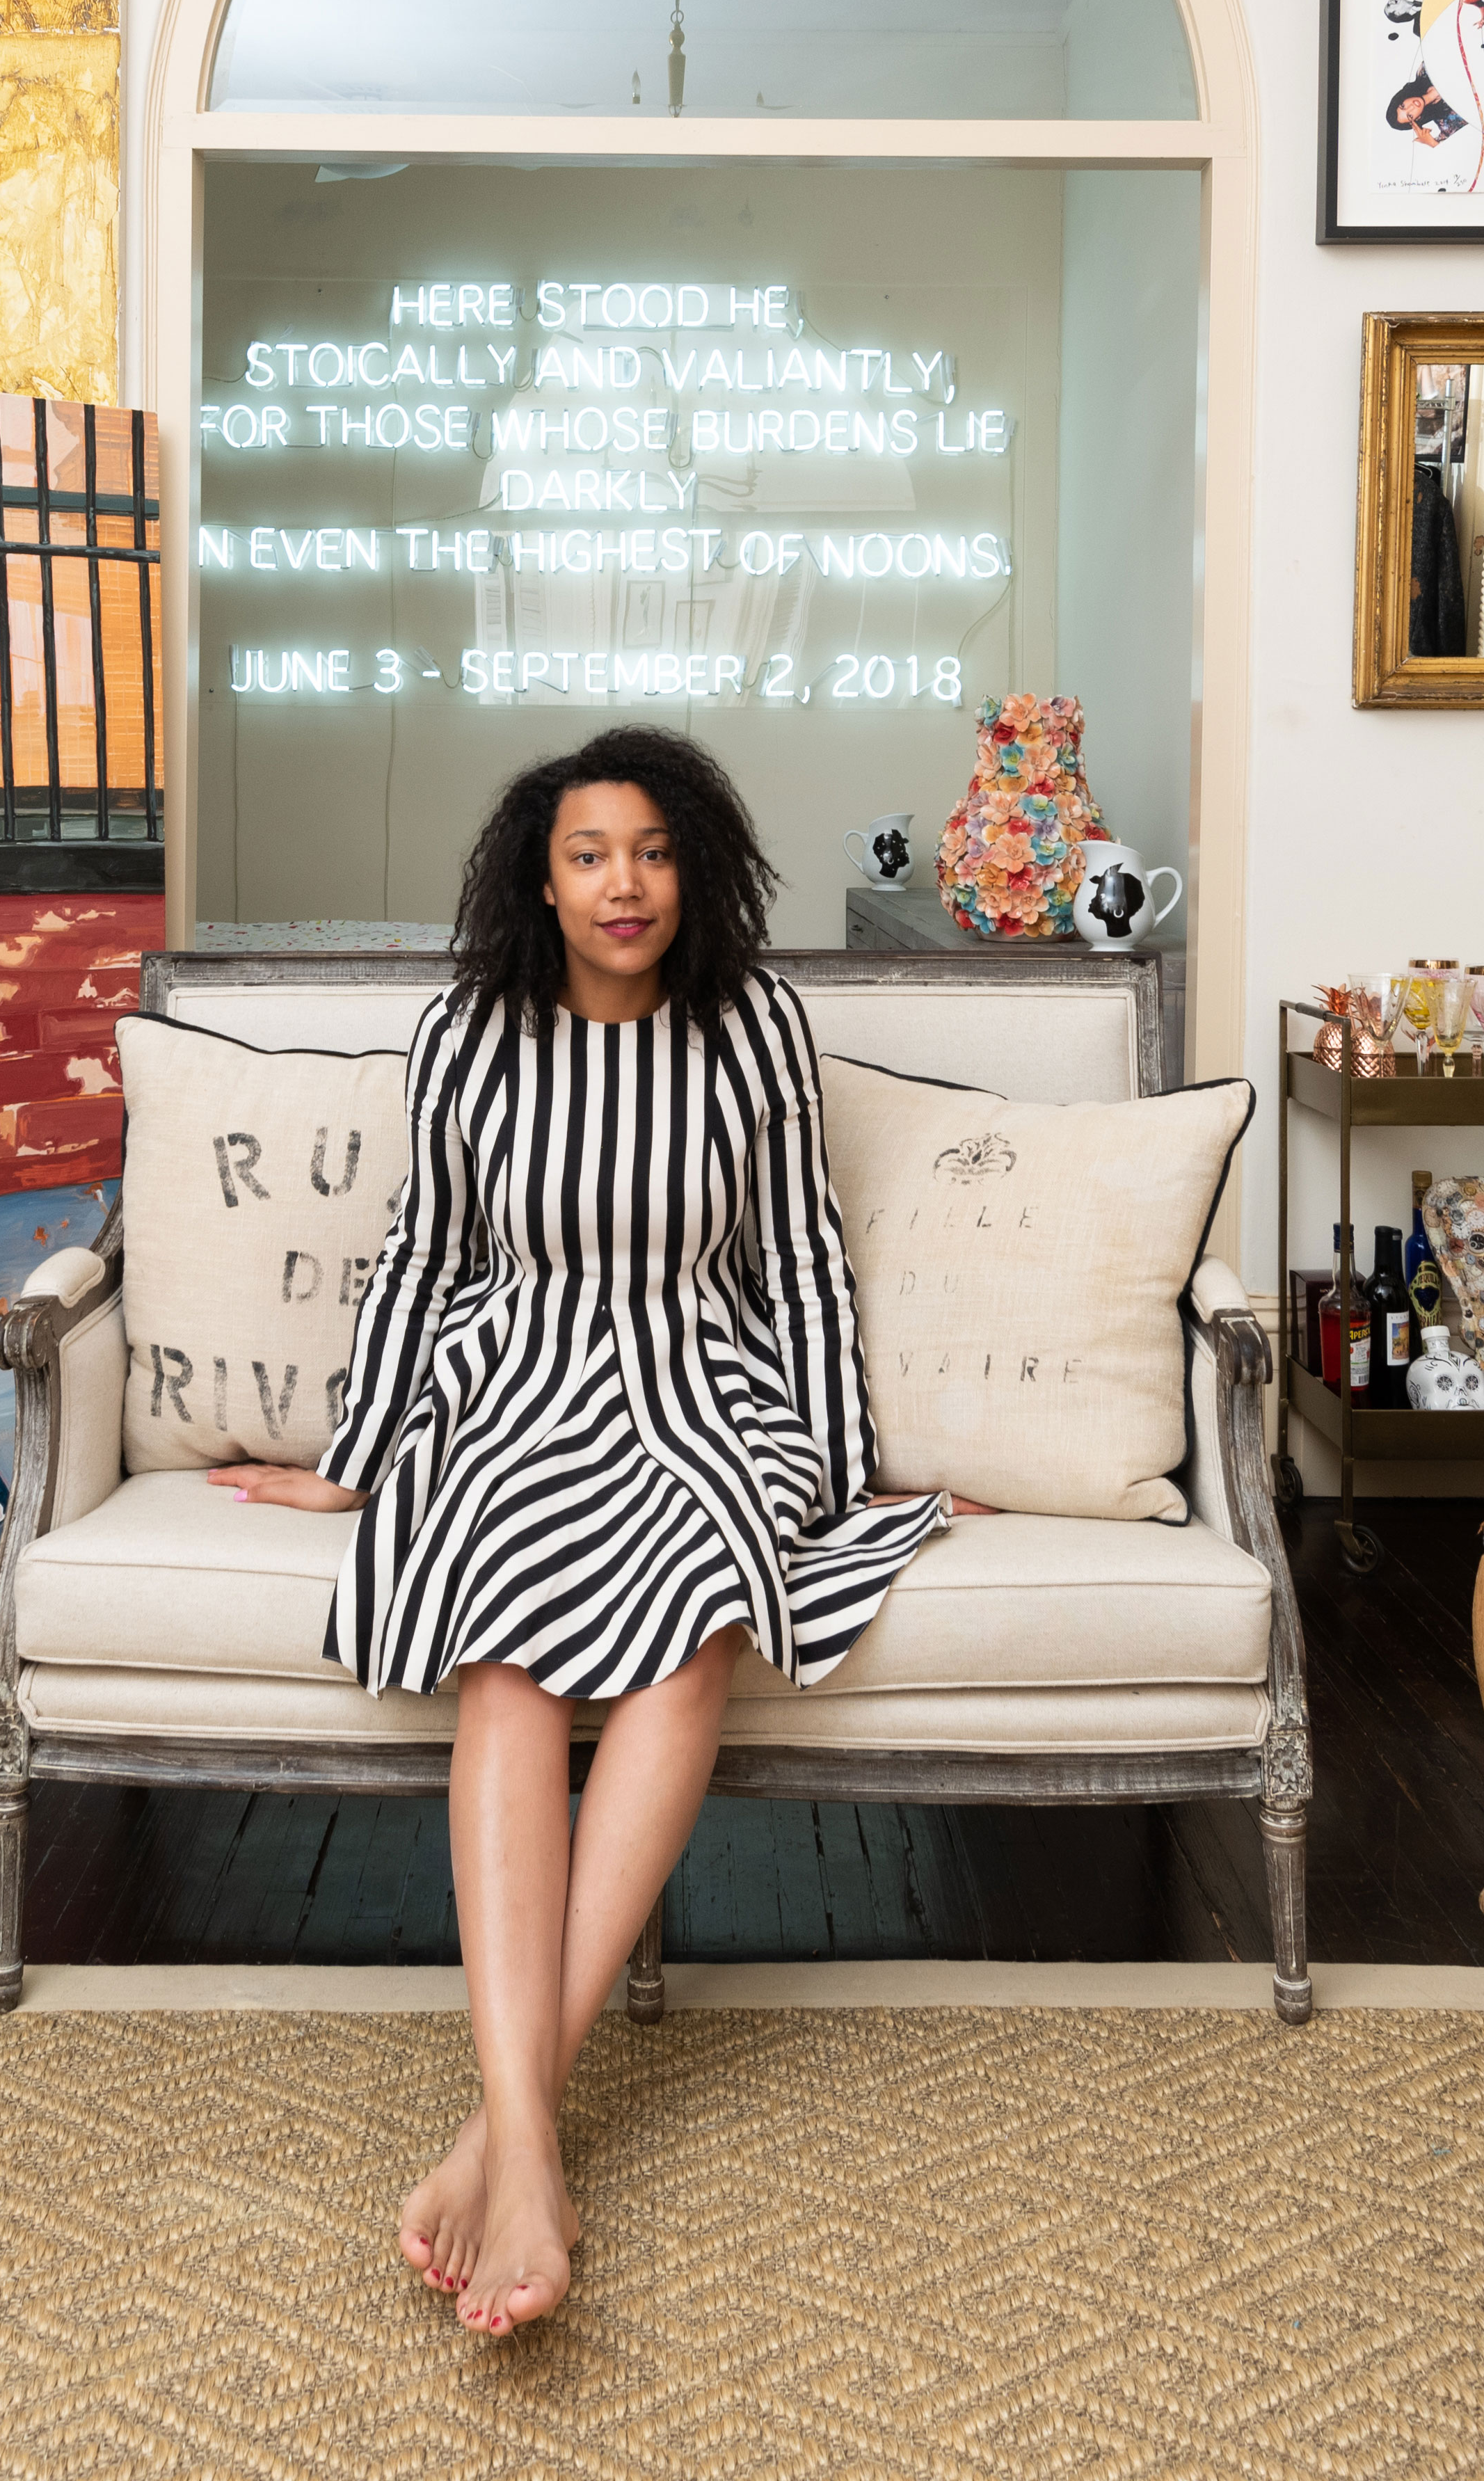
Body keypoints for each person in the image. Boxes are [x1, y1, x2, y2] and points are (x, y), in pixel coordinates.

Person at [213, 729, 966, 2336]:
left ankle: (507, 2136)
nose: (621, 881)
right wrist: (359, 1458)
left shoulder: (756, 1024)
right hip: (516, 1373)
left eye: (650, 849)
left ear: (692, 867)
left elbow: (807, 1264)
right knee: (503, 1655)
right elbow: (424, 1256)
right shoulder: (468, 1033)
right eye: (585, 853)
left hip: (702, 1375)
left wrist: (831, 1469)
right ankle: (532, 2149)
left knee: (699, 1611)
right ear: (536, 879)